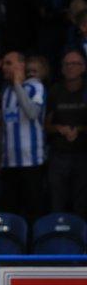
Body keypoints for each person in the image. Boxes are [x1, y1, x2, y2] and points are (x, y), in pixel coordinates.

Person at [0, 51, 46, 221]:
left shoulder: (35, 87)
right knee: (10, 212)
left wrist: (18, 85)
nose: (4, 67)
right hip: (9, 162)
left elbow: (32, 113)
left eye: (9, 63)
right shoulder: (6, 92)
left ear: (21, 66)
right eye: (4, 63)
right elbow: (4, 126)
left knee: (34, 212)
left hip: (31, 162)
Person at [45, 50, 87, 218]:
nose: (70, 67)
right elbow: (45, 124)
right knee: (57, 200)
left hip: (83, 154)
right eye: (67, 64)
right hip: (59, 154)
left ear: (83, 67)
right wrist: (60, 129)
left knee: (82, 202)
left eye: (75, 63)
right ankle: (57, 238)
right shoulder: (55, 91)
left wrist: (79, 130)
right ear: (62, 68)